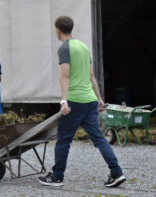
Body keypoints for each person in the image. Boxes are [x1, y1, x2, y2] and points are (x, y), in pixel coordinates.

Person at [38, 16, 126, 187]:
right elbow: (92, 75)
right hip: (90, 100)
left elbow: (64, 76)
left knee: (63, 139)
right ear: (71, 28)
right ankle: (116, 172)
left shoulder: (64, 48)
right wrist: (99, 98)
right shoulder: (84, 47)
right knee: (99, 139)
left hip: (75, 101)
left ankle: (57, 176)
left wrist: (63, 101)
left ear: (57, 30)